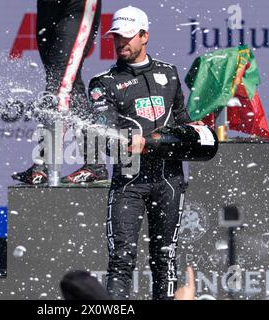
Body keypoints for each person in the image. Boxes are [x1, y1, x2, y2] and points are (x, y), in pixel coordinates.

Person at [88, 6, 203, 300]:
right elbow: (104, 138)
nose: (120, 43)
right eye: (116, 37)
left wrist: (193, 128)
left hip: (169, 180)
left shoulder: (169, 73)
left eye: (127, 37)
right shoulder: (103, 83)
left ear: (144, 36)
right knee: (121, 261)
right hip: (129, 182)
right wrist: (131, 142)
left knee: (165, 259)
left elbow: (181, 122)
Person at [12, 0, 109, 185]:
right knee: (67, 81)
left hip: (77, 6)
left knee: (59, 82)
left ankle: (44, 161)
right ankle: (95, 164)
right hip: (48, 7)